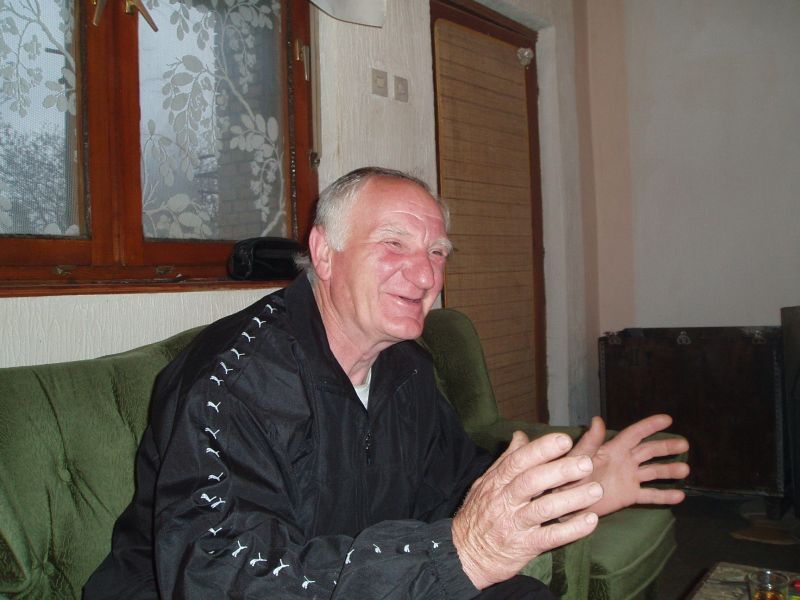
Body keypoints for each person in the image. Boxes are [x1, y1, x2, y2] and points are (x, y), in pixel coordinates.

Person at [84, 167, 689, 599]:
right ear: (324, 253)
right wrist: (459, 554)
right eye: (394, 244)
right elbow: (224, 573)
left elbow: (455, 487)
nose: (425, 275)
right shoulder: (236, 380)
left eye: (437, 251)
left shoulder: (406, 368)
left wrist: (569, 492)